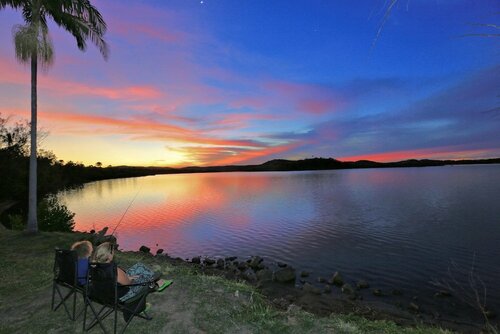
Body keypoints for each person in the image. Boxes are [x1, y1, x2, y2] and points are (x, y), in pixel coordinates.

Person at [92, 242, 171, 302]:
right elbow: (128, 283)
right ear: (109, 256)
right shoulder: (114, 270)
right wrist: (130, 279)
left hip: (107, 293)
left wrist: (126, 277)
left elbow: (116, 279)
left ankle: (160, 282)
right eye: (112, 251)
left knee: (139, 266)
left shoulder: (94, 266)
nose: (114, 253)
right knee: (143, 276)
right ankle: (155, 283)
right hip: (122, 295)